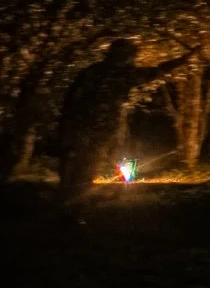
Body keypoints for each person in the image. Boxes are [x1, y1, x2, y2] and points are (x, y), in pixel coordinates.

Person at [51, 40, 187, 206]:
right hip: (98, 127)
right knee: (91, 163)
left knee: (92, 161)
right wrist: (182, 60)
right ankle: (76, 203)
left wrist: (68, 124)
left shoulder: (92, 71)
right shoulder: (121, 74)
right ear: (124, 56)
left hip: (92, 126)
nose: (133, 60)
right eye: (131, 56)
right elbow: (155, 72)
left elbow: (72, 99)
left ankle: (82, 195)